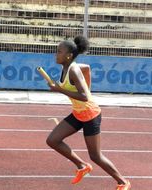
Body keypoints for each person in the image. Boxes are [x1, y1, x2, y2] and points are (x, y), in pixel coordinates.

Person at [45, 36, 131, 190]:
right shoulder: (67, 66)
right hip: (78, 114)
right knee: (53, 140)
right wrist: (87, 86)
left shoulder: (73, 70)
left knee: (95, 156)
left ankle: (123, 182)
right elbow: (87, 68)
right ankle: (82, 165)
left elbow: (84, 97)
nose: (55, 54)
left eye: (59, 51)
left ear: (69, 55)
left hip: (90, 114)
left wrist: (59, 89)